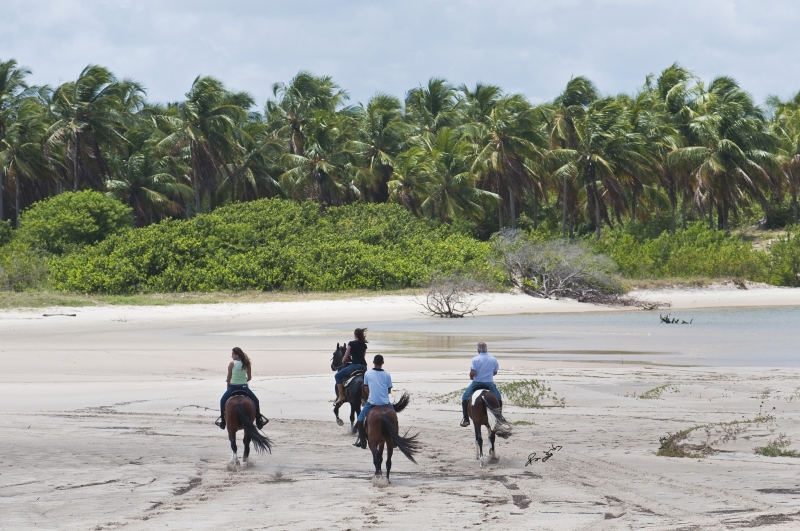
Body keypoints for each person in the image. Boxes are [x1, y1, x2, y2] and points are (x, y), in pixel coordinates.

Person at [216, 347, 267, 430]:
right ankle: (258, 422)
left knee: (222, 401)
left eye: (232, 354)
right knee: (256, 401)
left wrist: (231, 381)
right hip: (244, 387)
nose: (231, 356)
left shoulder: (232, 364)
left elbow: (228, 378)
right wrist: (243, 381)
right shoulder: (247, 363)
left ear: (237, 355)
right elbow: (249, 377)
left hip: (233, 387)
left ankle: (222, 422)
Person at [353, 354, 393, 449]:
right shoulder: (387, 374)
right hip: (385, 402)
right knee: (394, 417)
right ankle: (394, 440)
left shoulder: (367, 373)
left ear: (373, 362)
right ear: (383, 363)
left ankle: (363, 441)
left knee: (360, 419)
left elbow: (366, 389)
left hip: (372, 402)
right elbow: (389, 391)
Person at [460, 342, 501, 427]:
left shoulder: (475, 359)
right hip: (489, 383)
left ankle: (466, 419)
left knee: (464, 397)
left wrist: (471, 376)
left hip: (477, 383)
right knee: (498, 398)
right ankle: (499, 418)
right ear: (486, 349)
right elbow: (495, 372)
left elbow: (473, 372)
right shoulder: (493, 359)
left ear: (478, 350)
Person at [334, 328, 369, 405]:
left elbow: (344, 359)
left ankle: (341, 395)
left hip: (355, 366)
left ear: (355, 335)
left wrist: (345, 361)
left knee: (337, 376)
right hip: (364, 367)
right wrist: (352, 362)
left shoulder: (351, 343)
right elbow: (362, 357)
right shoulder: (364, 345)